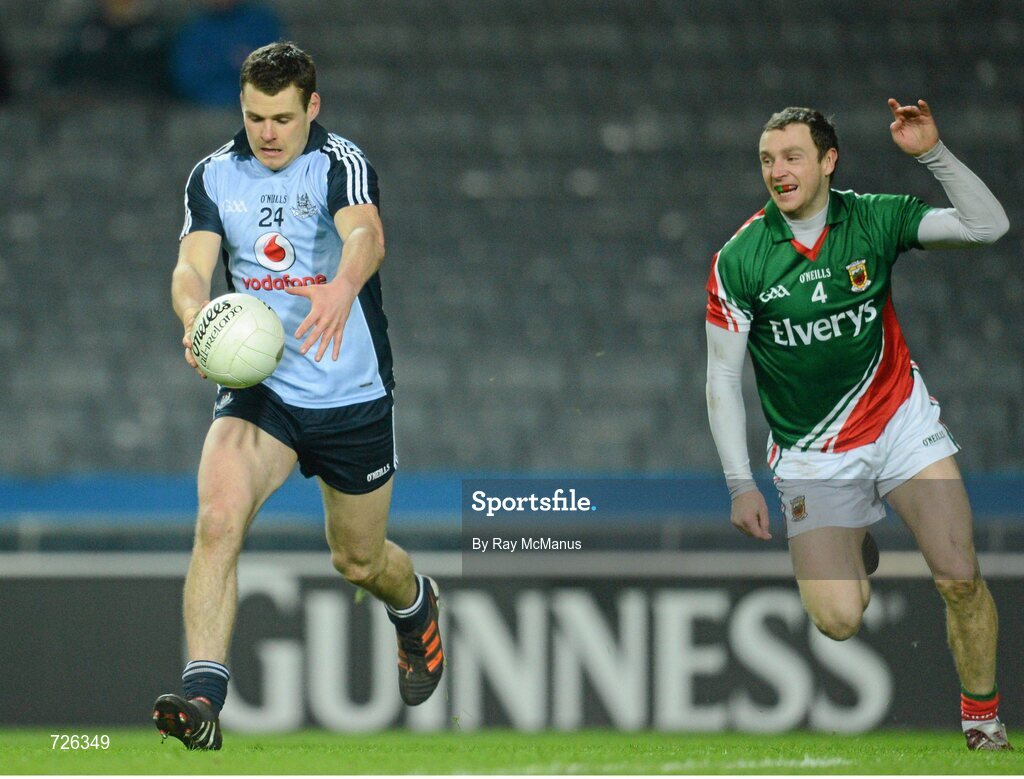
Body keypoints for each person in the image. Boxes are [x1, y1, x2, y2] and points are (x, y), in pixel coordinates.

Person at [153, 42, 443, 751]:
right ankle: (204, 697)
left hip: (351, 397)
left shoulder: (338, 162)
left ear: (312, 107)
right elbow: (190, 268)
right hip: (263, 389)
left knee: (358, 560)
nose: (269, 132)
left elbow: (365, 235)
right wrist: (195, 317)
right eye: (255, 116)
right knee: (219, 515)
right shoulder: (214, 175)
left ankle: (416, 607)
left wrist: (342, 288)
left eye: (282, 117)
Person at [705, 100, 1011, 750]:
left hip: (899, 422)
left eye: (791, 156)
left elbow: (989, 226)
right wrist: (739, 481)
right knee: (840, 619)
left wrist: (932, 153)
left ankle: (983, 724)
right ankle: (855, 541)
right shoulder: (740, 259)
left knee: (959, 574)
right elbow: (720, 380)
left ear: (827, 160)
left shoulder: (873, 217)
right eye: (767, 159)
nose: (777, 170)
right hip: (812, 453)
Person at [170, 0, 282, 107]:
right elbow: (186, 75)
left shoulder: (261, 22)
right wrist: (226, 63)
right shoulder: (194, 30)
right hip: (207, 107)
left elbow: (280, 66)